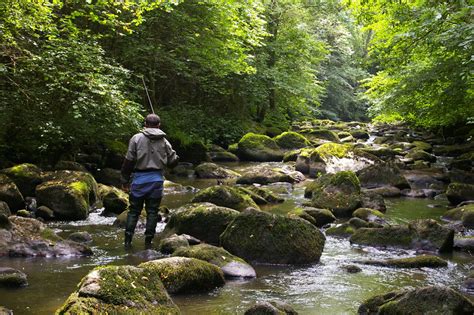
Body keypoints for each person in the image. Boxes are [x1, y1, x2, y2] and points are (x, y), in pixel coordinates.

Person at [121, 113, 178, 249]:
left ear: (145, 124)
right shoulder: (164, 141)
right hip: (157, 181)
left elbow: (128, 162)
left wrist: (124, 180)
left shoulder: (136, 138)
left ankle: (128, 241)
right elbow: (173, 161)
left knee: (134, 211)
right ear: (158, 125)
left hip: (139, 180)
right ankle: (148, 243)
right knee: (152, 211)